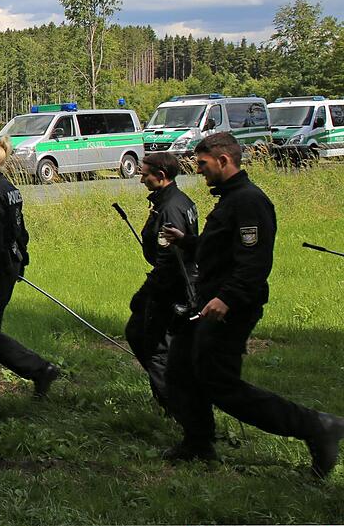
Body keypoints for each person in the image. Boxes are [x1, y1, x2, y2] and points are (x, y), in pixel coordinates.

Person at [162, 132, 344, 477]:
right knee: (181, 370)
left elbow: (255, 262)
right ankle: (198, 442)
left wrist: (227, 299)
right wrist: (188, 242)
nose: (197, 170)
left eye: (202, 164)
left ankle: (317, 426)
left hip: (230, 306)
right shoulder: (229, 199)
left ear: (223, 160)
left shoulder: (249, 201)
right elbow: (220, 248)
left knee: (221, 385)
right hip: (207, 302)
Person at [0, 137, 61, 398]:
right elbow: (21, 231)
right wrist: (22, 261)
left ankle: (39, 368)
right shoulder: (9, 188)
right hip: (8, 264)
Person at [125, 151, 198, 410]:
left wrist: (151, 293)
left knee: (155, 348)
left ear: (161, 176)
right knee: (136, 332)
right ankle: (172, 400)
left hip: (171, 286)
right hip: (169, 281)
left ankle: (177, 407)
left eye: (144, 174)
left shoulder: (171, 208)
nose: (141, 179)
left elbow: (170, 258)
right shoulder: (175, 200)